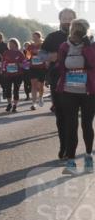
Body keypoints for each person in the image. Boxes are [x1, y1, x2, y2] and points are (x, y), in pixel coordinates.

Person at [55, 18, 95, 174]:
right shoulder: (64, 46)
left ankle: (88, 157)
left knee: (87, 125)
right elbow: (60, 66)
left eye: (81, 30)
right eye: (76, 30)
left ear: (86, 31)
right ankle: (71, 162)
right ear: (71, 30)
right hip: (69, 91)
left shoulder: (91, 45)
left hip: (88, 92)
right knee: (71, 126)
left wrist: (86, 46)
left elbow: (92, 62)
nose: (77, 33)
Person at [44, 8, 77, 158]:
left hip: (78, 83)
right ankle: (64, 146)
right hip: (58, 81)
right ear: (60, 20)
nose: (68, 20)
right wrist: (56, 56)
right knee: (61, 116)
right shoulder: (52, 37)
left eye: (71, 18)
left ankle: (71, 147)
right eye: (65, 17)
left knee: (73, 117)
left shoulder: (83, 37)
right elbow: (41, 55)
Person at [0, 38, 27, 113]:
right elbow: (3, 63)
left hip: (18, 74)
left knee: (16, 90)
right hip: (8, 74)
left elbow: (25, 65)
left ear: (16, 44)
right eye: (10, 44)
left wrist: (18, 64)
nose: (11, 46)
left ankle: (15, 105)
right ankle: (9, 104)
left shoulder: (20, 53)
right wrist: (2, 70)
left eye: (12, 44)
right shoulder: (6, 53)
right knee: (8, 89)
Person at [25, 30, 47, 110]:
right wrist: (29, 55)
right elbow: (27, 56)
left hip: (41, 68)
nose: (34, 38)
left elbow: (46, 55)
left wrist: (39, 52)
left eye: (36, 37)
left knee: (40, 86)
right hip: (33, 67)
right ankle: (33, 103)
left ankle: (40, 97)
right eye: (33, 37)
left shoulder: (43, 45)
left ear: (39, 37)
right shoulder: (30, 46)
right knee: (33, 85)